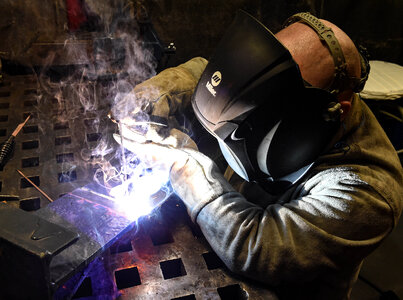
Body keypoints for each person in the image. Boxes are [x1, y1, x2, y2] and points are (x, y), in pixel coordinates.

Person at [114, 11, 403, 300]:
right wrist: (160, 93)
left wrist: (184, 166)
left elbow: (257, 248)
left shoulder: (369, 190)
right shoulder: (288, 92)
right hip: (214, 242)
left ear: (335, 108)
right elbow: (209, 72)